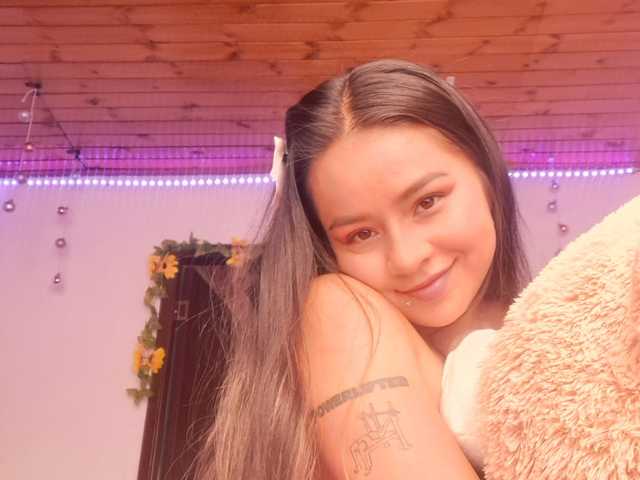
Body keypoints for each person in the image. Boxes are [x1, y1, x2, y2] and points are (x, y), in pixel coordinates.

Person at [194, 59, 531, 480]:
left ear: (486, 177)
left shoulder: (559, 337)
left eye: (427, 202)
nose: (406, 257)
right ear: (326, 247)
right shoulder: (339, 313)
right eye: (361, 234)